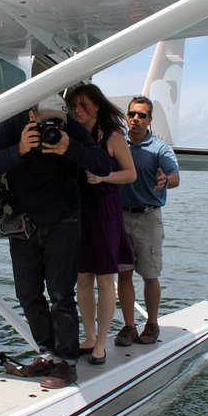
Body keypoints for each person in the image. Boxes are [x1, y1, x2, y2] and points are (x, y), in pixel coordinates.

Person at [0, 94, 111, 388]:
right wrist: (19, 148)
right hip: (23, 222)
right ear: (32, 114)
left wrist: (69, 147)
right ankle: (49, 352)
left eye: (57, 121)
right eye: (46, 122)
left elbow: (102, 165)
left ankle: (66, 363)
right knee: (26, 293)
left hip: (64, 221)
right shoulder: (13, 125)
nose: (51, 128)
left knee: (60, 295)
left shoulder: (71, 130)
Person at [66, 84, 136, 365]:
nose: (77, 111)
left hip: (105, 211)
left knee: (105, 279)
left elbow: (130, 174)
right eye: (73, 106)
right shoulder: (71, 136)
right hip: (79, 211)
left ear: (96, 105)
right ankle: (89, 335)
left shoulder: (112, 136)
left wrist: (104, 178)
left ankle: (101, 343)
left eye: (83, 105)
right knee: (83, 277)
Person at [115, 96, 179, 346]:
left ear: (150, 120)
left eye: (142, 115)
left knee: (150, 275)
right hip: (120, 217)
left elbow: (174, 175)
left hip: (149, 217)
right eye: (132, 114)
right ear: (126, 117)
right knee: (124, 274)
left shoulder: (160, 148)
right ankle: (129, 327)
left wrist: (167, 180)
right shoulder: (119, 144)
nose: (136, 119)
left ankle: (152, 324)